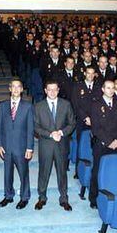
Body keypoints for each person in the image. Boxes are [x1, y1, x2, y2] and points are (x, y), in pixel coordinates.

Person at [34, 80, 76, 211]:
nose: (52, 92)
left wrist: (61, 132)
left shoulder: (66, 104)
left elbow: (72, 123)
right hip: (46, 144)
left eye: (55, 89)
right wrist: (50, 134)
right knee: (43, 172)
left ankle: (64, 198)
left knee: (62, 172)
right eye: (49, 89)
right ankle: (42, 198)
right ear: (45, 91)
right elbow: (35, 127)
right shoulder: (38, 106)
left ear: (58, 90)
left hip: (62, 144)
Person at [89, 80, 117, 209]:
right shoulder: (95, 105)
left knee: (112, 171)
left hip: (116, 144)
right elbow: (96, 128)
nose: (111, 90)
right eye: (108, 88)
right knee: (97, 171)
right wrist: (108, 141)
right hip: (101, 143)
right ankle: (94, 198)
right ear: (103, 89)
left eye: (113, 88)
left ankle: (111, 196)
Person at [0, 80, 34, 210]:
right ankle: (8, 195)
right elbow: (0, 126)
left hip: (21, 147)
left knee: (23, 173)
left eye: (18, 86)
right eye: (13, 86)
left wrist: (30, 147)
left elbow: (30, 128)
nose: (16, 89)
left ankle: (24, 197)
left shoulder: (28, 106)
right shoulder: (3, 105)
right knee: (7, 172)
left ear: (22, 89)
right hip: (6, 146)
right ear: (10, 89)